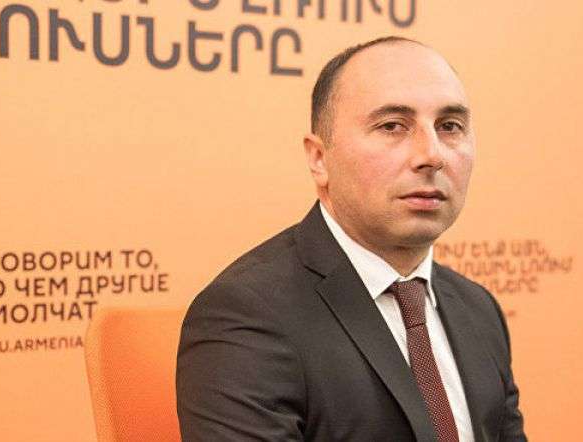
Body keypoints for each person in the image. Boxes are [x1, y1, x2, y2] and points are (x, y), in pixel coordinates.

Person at [176, 36, 527, 442]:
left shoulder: (478, 308)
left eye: (450, 126)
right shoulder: (247, 315)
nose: (431, 155)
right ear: (319, 158)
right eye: (392, 126)